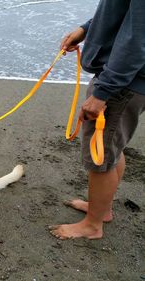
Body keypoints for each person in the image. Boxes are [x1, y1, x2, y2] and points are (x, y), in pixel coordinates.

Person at [49, 0, 145, 239]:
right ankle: (101, 210)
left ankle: (93, 225)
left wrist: (103, 91)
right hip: (122, 78)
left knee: (99, 153)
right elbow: (122, 12)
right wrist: (86, 28)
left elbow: (138, 38)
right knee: (111, 147)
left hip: (122, 82)